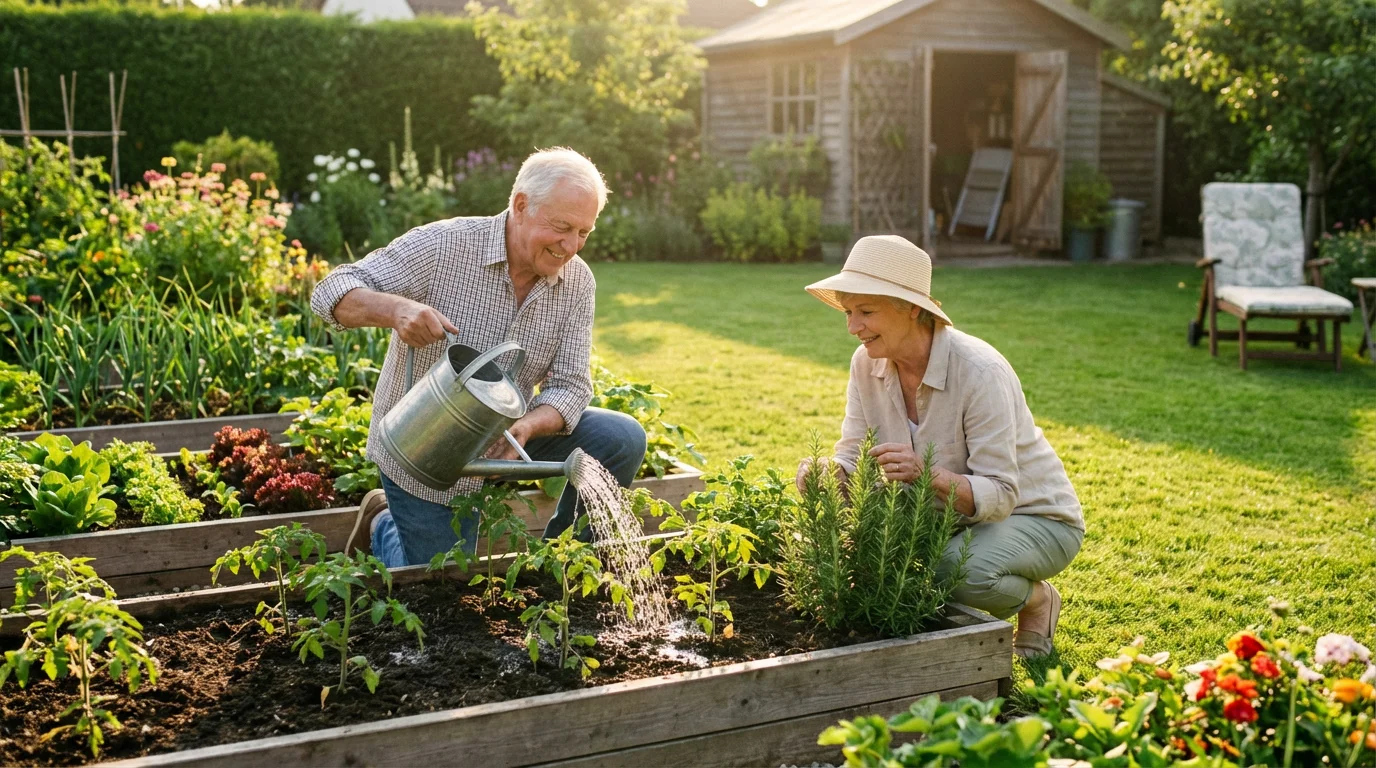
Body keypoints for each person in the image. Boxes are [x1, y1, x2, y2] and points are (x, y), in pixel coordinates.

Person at [310, 147, 647, 569]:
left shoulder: (577, 282)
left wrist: (524, 428)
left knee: (622, 439)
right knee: (442, 584)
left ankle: (561, 567)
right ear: (521, 205)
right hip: (423, 446)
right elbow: (330, 292)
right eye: (561, 227)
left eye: (584, 232)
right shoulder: (444, 245)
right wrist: (398, 310)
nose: (571, 246)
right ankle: (383, 524)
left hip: (506, 437)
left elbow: (571, 386)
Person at [798, 235, 1084, 657]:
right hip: (952, 521)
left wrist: (924, 472)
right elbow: (853, 453)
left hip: (1036, 517)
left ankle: (1037, 601)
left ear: (912, 309)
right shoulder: (865, 363)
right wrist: (828, 471)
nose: (852, 327)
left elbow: (1003, 494)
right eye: (848, 312)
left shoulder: (980, 371)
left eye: (866, 311)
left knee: (953, 569)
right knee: (883, 554)